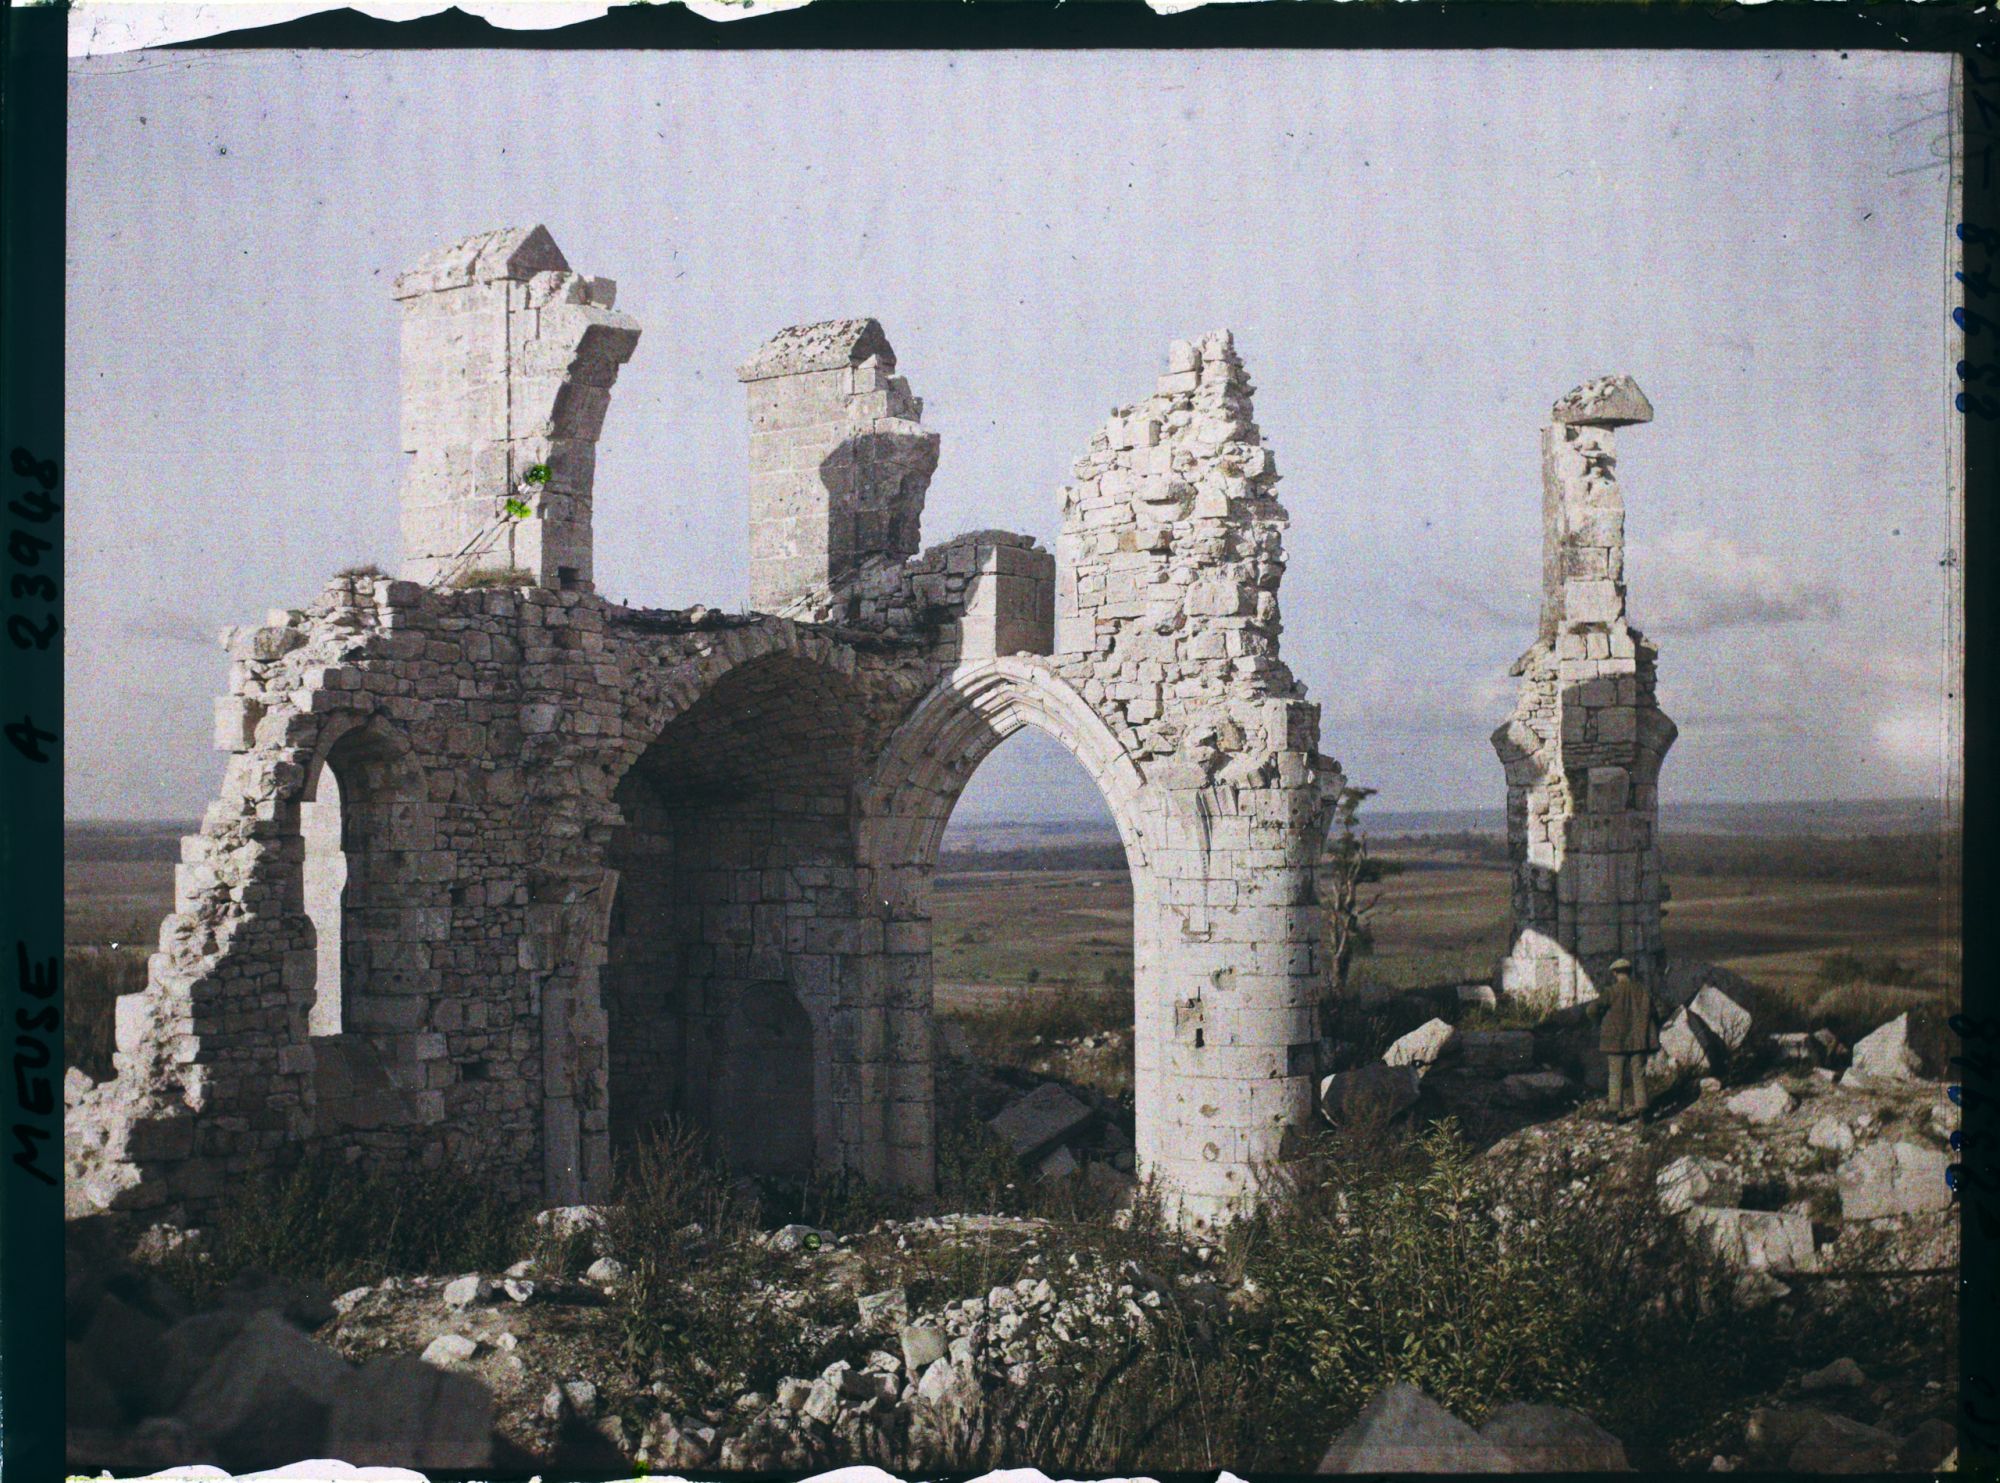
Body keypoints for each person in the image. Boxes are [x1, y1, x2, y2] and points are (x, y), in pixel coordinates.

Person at [1590, 957, 1661, 1123]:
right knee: (1639, 1075)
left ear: (1615, 973)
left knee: (1615, 1076)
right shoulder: (1643, 990)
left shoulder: (1611, 992)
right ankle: (1644, 1112)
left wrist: (1598, 1023)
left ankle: (1615, 1113)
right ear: (1630, 972)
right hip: (1639, 1041)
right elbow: (1658, 1011)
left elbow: (1591, 1009)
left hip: (1615, 1042)